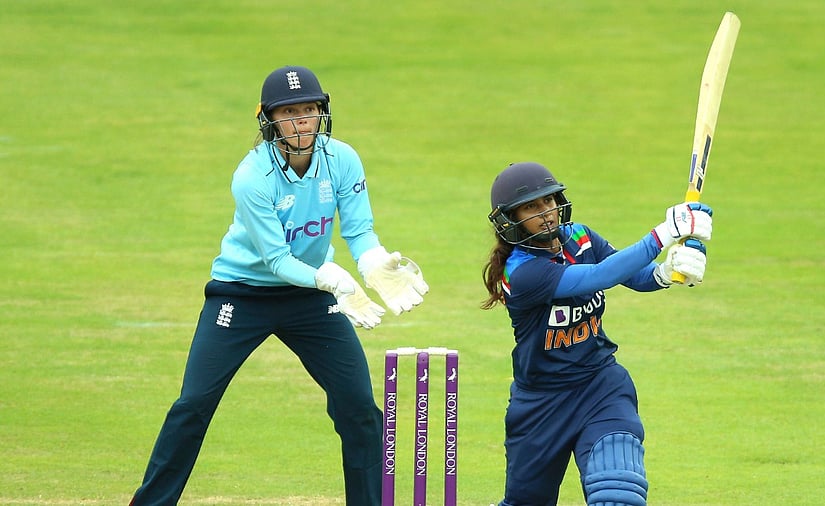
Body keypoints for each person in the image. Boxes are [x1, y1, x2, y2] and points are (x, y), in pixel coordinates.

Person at [130, 65, 428, 506]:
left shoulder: (342, 159)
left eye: (309, 110)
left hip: (310, 299)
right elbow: (276, 260)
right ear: (269, 120)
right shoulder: (252, 177)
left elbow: (360, 229)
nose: (301, 121)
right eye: (289, 113)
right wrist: (330, 278)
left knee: (359, 410)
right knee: (193, 405)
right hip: (241, 294)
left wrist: (373, 263)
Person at [481, 162, 712, 506]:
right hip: (541, 404)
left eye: (548, 201)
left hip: (600, 386)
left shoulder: (579, 237)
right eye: (531, 207)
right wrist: (663, 235)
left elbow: (632, 275)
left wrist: (666, 272)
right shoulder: (522, 272)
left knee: (618, 494)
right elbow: (598, 277)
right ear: (510, 221)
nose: (545, 213)